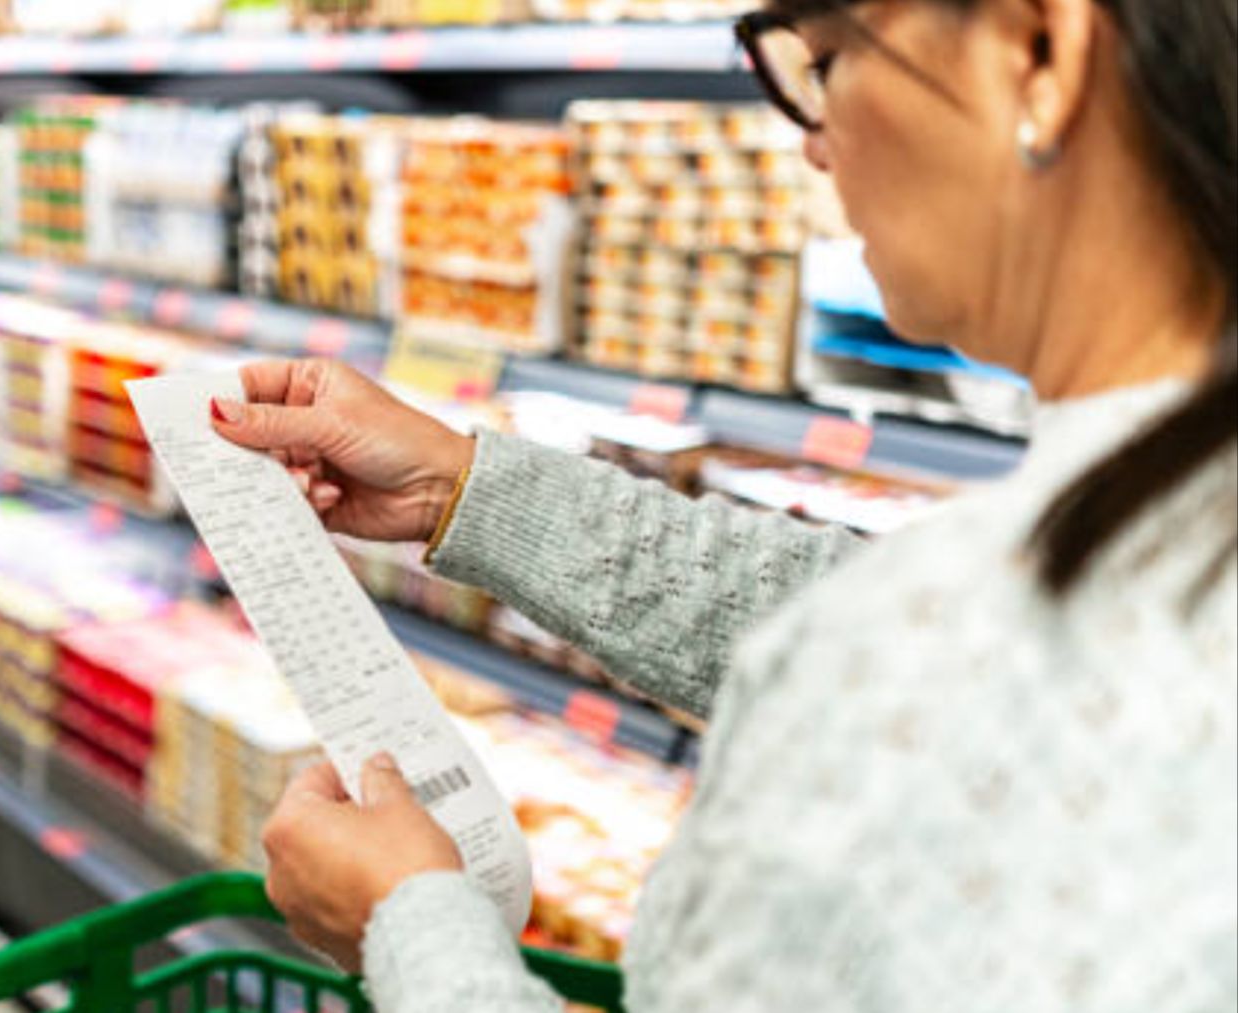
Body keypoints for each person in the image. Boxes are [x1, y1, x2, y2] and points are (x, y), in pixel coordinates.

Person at [209, 0, 1238, 1009]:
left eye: (824, 61)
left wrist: (409, 924)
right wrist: (463, 486)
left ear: (1039, 49)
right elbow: (859, 611)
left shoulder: (955, 637)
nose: (813, 148)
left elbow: (898, 643)